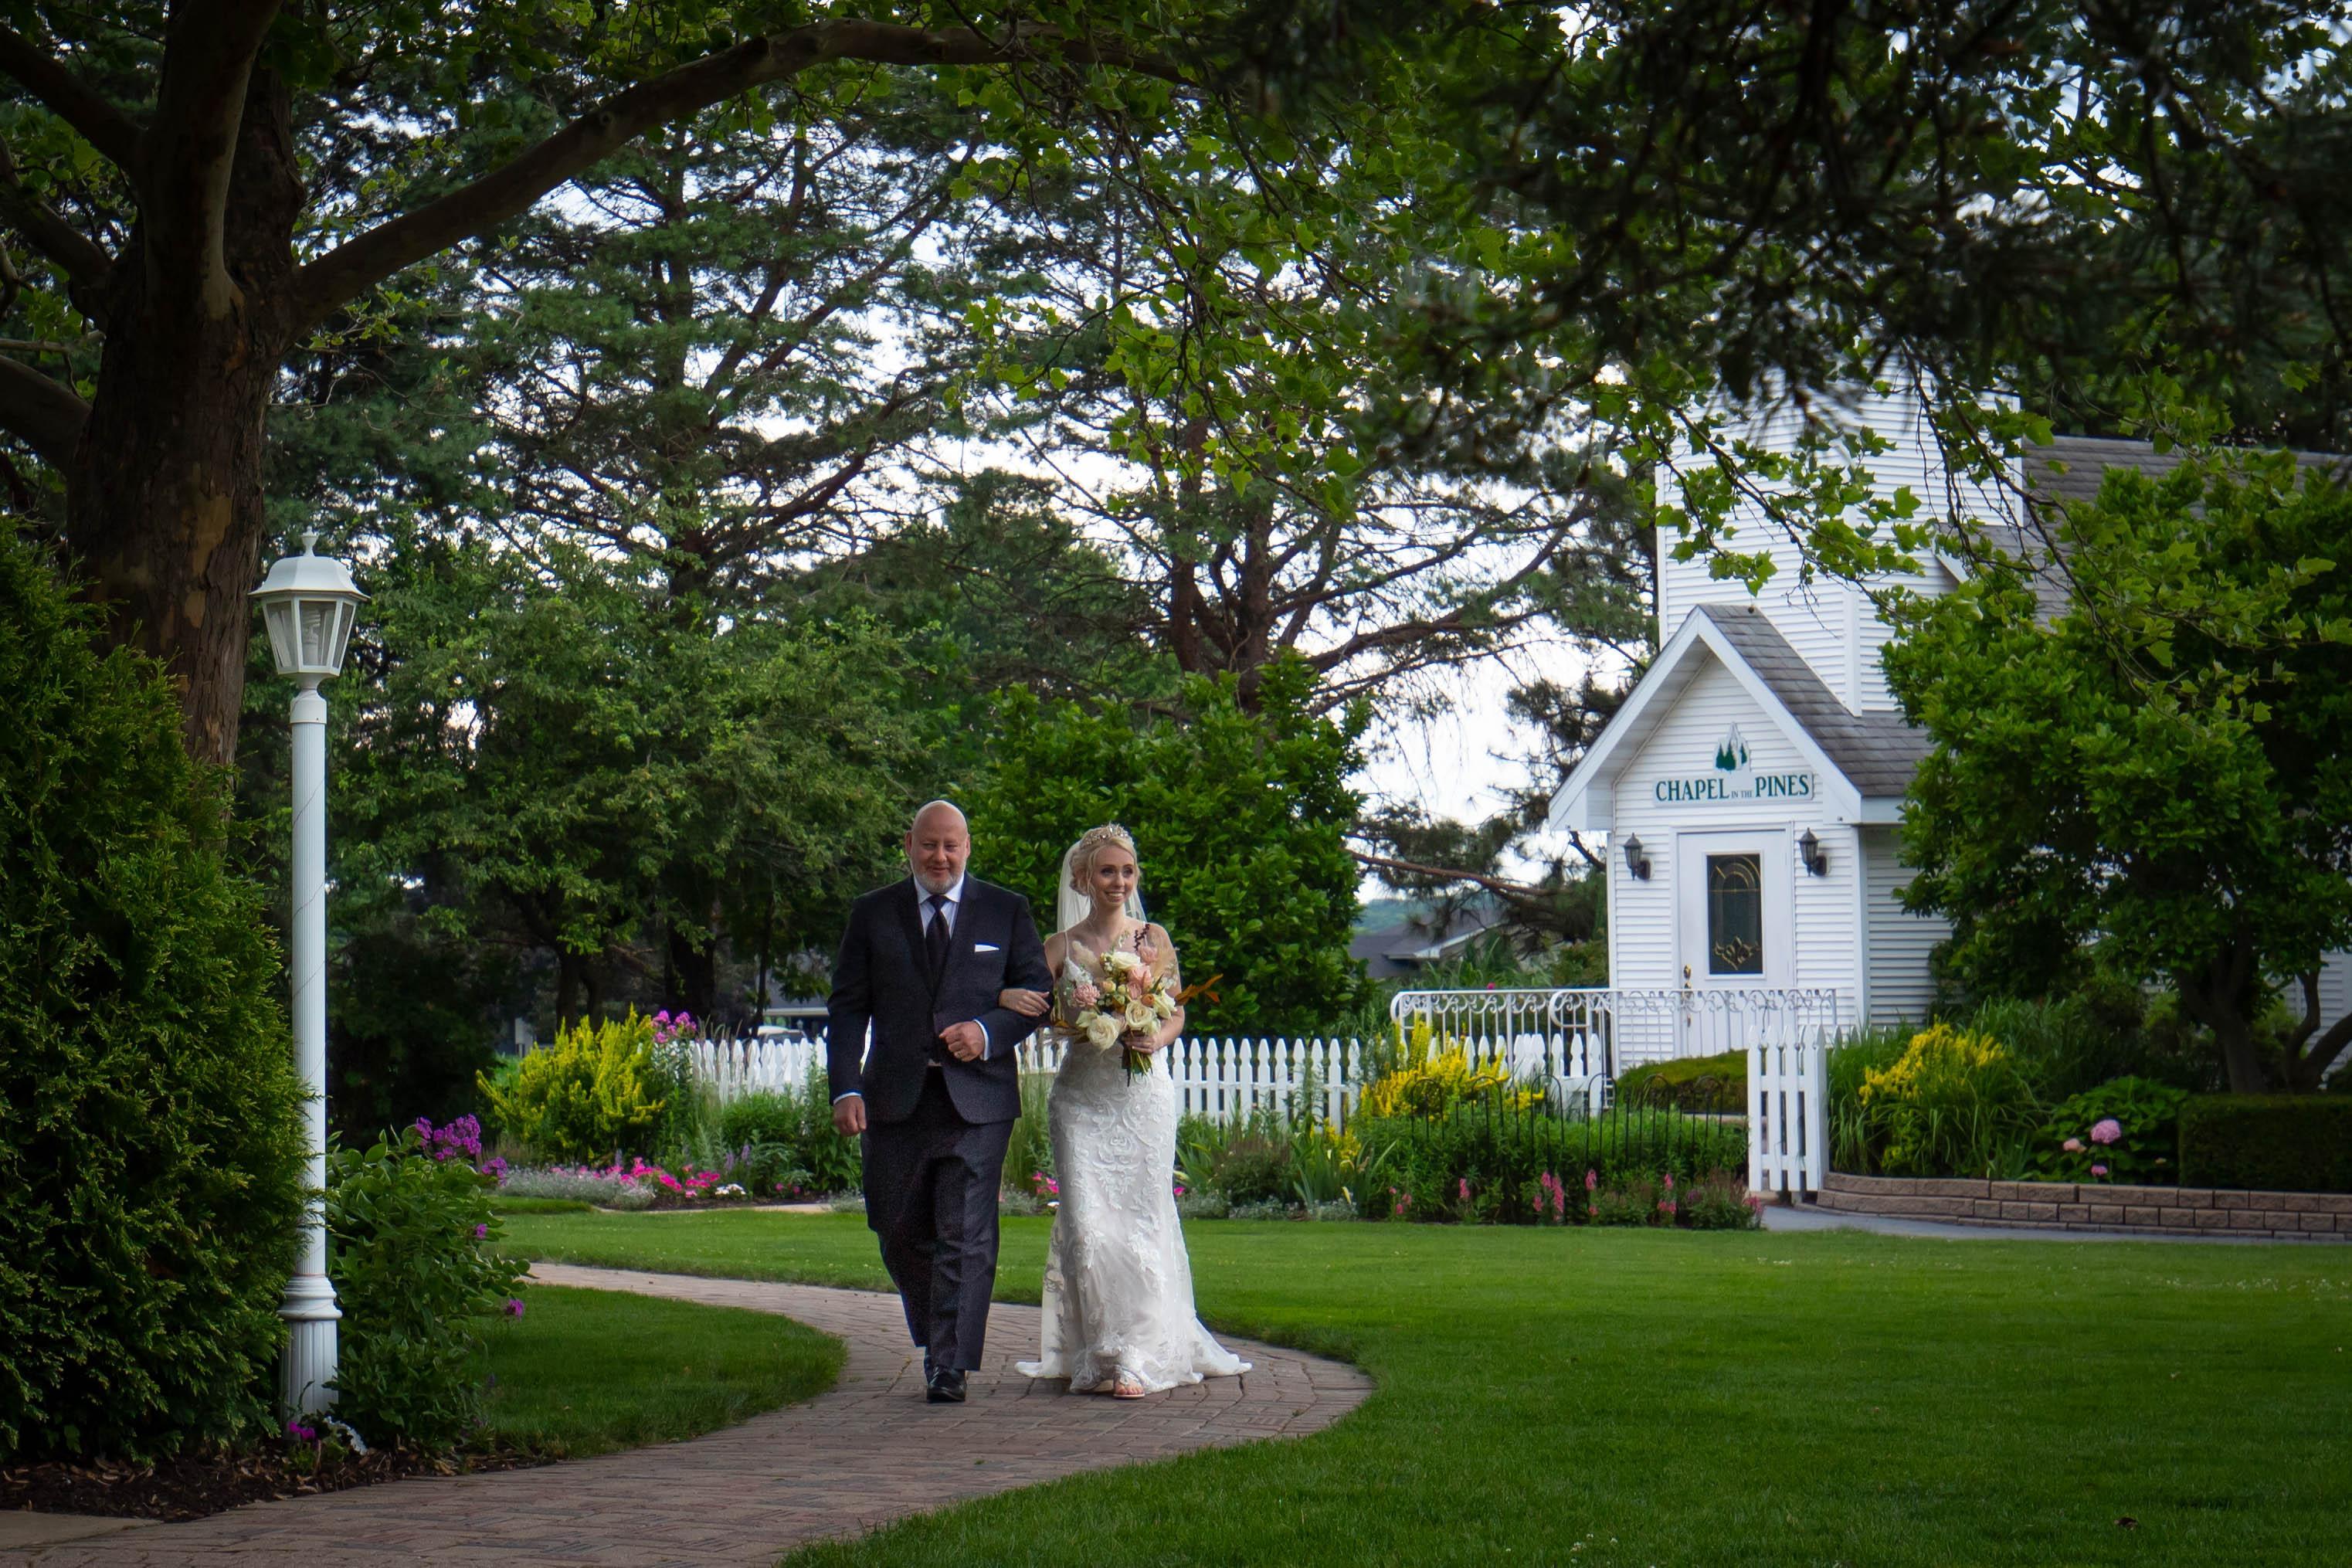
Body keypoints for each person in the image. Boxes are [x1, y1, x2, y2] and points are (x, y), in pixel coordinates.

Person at [1000, 823, 1252, 1398]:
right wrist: (1009, 998)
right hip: (1081, 1098)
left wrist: (1154, 1036)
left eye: (1127, 871)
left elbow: (1175, 1010)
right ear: (1082, 878)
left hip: (1142, 1093)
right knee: (1089, 1226)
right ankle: (1103, 1349)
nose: (1118, 881)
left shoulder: (1151, 939)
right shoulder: (1059, 947)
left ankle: (1140, 1354)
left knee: (1141, 1220)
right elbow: (1027, 1004)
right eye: (1107, 871)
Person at [826, 799, 1051, 1403]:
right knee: (896, 1226)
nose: (940, 856)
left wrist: (986, 1031)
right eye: (929, 844)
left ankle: (948, 1364)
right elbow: (847, 1008)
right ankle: (938, 1335)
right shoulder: (872, 913)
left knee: (963, 1233)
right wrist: (845, 1086)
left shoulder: (1005, 910)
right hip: (893, 1100)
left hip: (977, 1101)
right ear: (909, 844)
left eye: (952, 845)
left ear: (968, 847)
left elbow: (1037, 993)